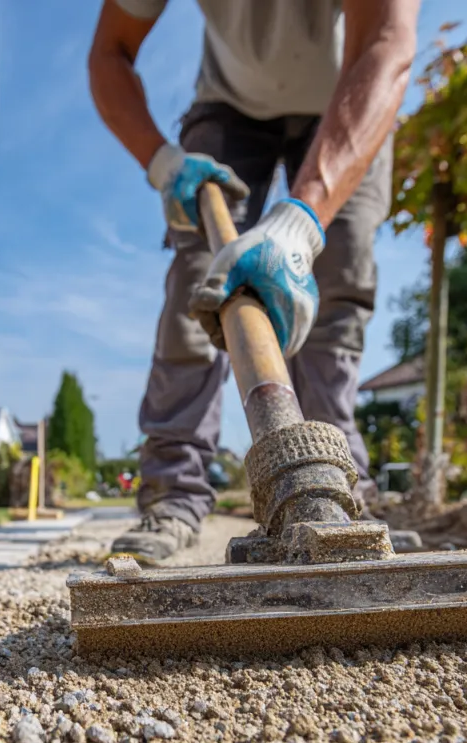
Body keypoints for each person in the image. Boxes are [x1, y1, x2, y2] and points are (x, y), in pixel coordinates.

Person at [89, 0, 419, 561]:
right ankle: (173, 493)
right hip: (228, 106)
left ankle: (336, 490)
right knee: (201, 284)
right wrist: (163, 160)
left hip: (348, 95)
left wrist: (304, 220)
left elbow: (386, 47)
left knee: (338, 285)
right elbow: (110, 53)